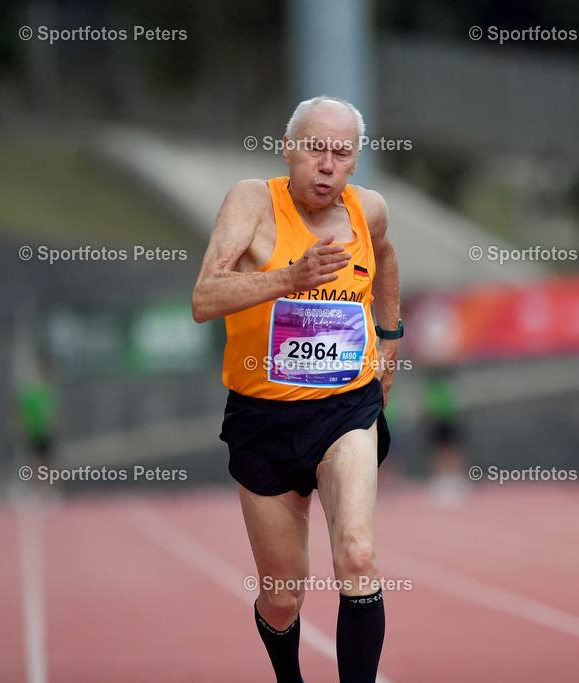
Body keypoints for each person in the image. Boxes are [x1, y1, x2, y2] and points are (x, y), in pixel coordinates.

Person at [192, 96, 401, 683]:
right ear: (289, 149)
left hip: (345, 408)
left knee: (357, 554)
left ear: (356, 162)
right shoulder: (252, 201)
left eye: (341, 153)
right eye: (316, 149)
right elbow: (204, 298)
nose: (327, 165)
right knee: (283, 596)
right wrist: (290, 277)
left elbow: (384, 261)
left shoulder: (370, 211)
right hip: (263, 418)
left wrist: (390, 336)